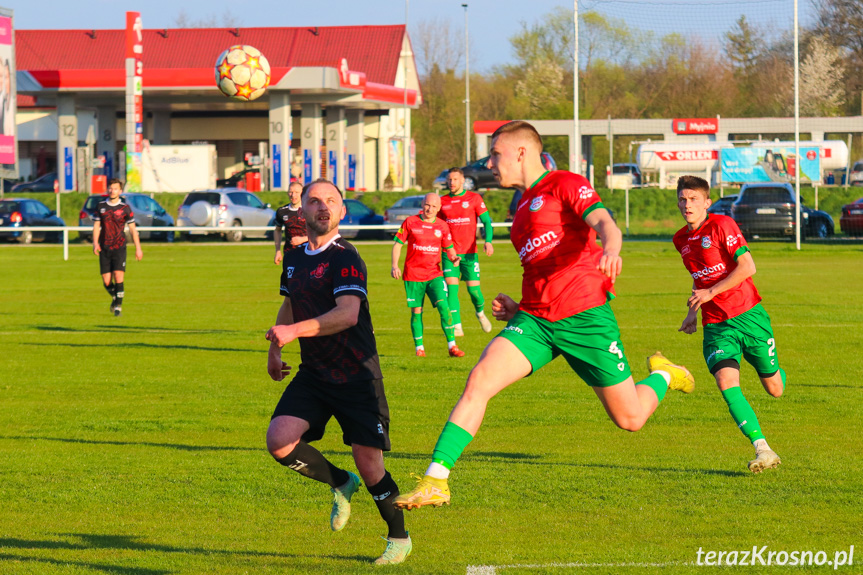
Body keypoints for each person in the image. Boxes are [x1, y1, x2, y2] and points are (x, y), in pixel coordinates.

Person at [394, 121, 695, 510]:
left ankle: (664, 374)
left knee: (630, 419)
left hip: (586, 318)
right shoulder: (518, 209)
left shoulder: (564, 183)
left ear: (522, 152)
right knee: (480, 379)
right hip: (535, 321)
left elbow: (605, 223)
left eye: (495, 153)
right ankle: (437, 480)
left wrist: (612, 249)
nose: (489, 162)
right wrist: (519, 309)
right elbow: (539, 270)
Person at [264, 178, 411, 565]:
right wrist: (276, 349)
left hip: (356, 376)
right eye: (315, 201)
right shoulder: (295, 257)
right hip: (315, 373)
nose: (323, 207)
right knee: (279, 441)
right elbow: (291, 305)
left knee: (370, 463)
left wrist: (293, 332)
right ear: (302, 211)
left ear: (342, 211)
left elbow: (347, 314)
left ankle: (398, 537)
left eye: (332, 201)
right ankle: (340, 482)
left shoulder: (346, 256)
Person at [674, 175, 785, 473]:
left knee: (774, 388)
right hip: (716, 324)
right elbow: (700, 278)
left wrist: (711, 291)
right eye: (683, 199)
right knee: (726, 382)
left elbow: (748, 266)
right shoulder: (680, 240)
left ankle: (774, 367)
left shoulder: (722, 225)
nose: (688, 205)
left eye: (694, 199)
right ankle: (763, 448)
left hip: (749, 316)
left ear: (707, 202)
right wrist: (692, 312)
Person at [391, 192, 465, 358]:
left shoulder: (442, 226)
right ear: (422, 204)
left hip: (434, 274)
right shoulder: (411, 222)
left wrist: (454, 257)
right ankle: (419, 348)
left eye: (433, 206)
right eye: (427, 205)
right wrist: (395, 266)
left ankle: (452, 346)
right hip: (413, 275)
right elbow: (398, 245)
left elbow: (449, 247)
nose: (429, 209)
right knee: (417, 312)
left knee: (444, 308)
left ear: (439, 208)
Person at [438, 167, 494, 336]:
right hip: (450, 253)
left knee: (474, 292)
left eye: (455, 179)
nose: (451, 182)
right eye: (449, 179)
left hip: (470, 253)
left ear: (462, 180)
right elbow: (438, 227)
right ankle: (457, 326)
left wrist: (488, 241)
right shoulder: (443, 201)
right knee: (451, 290)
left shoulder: (474, 198)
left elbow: (487, 222)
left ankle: (480, 313)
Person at [92, 178, 143, 316]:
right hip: (104, 247)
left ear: (120, 191)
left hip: (120, 247)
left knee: (119, 276)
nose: (112, 191)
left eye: (115, 188)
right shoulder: (101, 206)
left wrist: (138, 248)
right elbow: (97, 226)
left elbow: (133, 230)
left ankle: (118, 308)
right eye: (110, 188)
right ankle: (116, 296)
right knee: (107, 281)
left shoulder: (125, 208)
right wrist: (95, 243)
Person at [273, 181, 308, 265]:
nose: (293, 195)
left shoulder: (309, 210)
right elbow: (277, 230)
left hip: (308, 253)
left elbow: (319, 234)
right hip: (289, 254)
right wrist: (278, 250)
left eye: (296, 192)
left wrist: (303, 239)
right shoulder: (282, 211)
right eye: (291, 192)